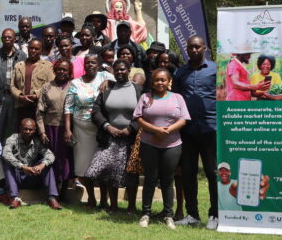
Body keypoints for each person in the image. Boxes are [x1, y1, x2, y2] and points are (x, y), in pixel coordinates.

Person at [133, 68, 190, 229]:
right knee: (150, 179)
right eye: (157, 79)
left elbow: (184, 119)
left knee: (168, 180)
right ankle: (145, 214)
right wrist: (155, 130)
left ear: (169, 81)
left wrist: (167, 131)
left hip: (172, 145)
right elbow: (138, 117)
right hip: (149, 144)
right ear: (152, 81)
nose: (160, 82)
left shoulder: (178, 98)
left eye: (163, 80)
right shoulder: (145, 97)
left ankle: (168, 215)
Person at [172, 35, 219, 228]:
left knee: (213, 172)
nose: (194, 50)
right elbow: (174, 99)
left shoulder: (216, 69)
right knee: (188, 173)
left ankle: (215, 214)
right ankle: (192, 214)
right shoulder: (180, 72)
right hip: (188, 130)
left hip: (211, 128)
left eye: (198, 47)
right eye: (191, 47)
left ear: (204, 48)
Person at [88, 59, 142, 212]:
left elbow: (144, 112)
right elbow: (96, 112)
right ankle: (113, 206)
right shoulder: (107, 89)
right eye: (117, 69)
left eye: (123, 69)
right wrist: (107, 126)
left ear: (129, 71)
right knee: (109, 170)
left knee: (131, 172)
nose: (119, 72)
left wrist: (131, 128)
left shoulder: (138, 90)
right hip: (109, 137)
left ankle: (131, 207)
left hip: (131, 138)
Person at [64, 54, 111, 208]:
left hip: (101, 129)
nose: (90, 65)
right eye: (87, 63)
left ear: (98, 64)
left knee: (101, 165)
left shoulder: (104, 75)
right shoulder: (75, 83)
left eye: (93, 62)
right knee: (84, 166)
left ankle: (104, 200)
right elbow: (68, 106)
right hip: (81, 130)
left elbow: (122, 78)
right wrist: (67, 129)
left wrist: (108, 80)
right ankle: (91, 198)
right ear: (83, 65)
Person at [2, 118, 60, 209]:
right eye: (25, 129)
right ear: (20, 128)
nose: (28, 132)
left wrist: (42, 165)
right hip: (17, 177)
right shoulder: (13, 139)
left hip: (33, 176)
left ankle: (52, 198)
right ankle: (15, 198)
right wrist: (23, 167)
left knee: (46, 163)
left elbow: (50, 155)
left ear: (35, 130)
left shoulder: (37, 141)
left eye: (31, 129)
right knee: (7, 164)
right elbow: (6, 154)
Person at [36, 59, 72, 196]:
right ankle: (52, 190)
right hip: (51, 129)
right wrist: (42, 132)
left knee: (67, 159)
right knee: (52, 158)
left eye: (65, 70)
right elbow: (40, 111)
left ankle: (64, 191)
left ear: (69, 72)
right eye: (59, 69)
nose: (62, 72)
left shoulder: (73, 85)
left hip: (69, 129)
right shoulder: (47, 87)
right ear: (55, 70)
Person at [12, 38, 55, 126]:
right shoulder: (19, 65)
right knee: (23, 133)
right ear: (28, 49)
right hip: (21, 107)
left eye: (36, 49)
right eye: (31, 48)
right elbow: (12, 85)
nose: (33, 51)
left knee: (38, 134)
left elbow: (51, 85)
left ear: (41, 50)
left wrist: (36, 95)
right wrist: (20, 96)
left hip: (39, 107)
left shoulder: (48, 66)